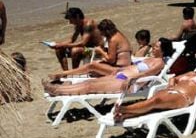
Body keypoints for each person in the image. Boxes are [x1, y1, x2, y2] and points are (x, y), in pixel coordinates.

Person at [42, 38, 175, 97]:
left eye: (157, 47)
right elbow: (134, 67)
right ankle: (61, 87)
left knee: (90, 87)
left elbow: (147, 74)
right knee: (90, 82)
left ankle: (57, 91)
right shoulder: (149, 58)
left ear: (163, 51)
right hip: (120, 76)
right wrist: (119, 71)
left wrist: (132, 78)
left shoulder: (159, 63)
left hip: (127, 83)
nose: (154, 48)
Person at [113, 54, 196, 121]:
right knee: (153, 105)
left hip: (183, 97)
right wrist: (171, 84)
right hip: (171, 92)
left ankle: (123, 109)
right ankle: (125, 116)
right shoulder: (191, 73)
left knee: (155, 101)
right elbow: (173, 78)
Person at [48, 19, 132, 80]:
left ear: (106, 31)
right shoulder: (119, 35)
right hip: (122, 66)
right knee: (94, 65)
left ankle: (64, 74)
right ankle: (68, 73)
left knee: (90, 66)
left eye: (102, 32)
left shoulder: (113, 40)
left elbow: (111, 60)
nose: (101, 34)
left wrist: (101, 51)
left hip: (120, 69)